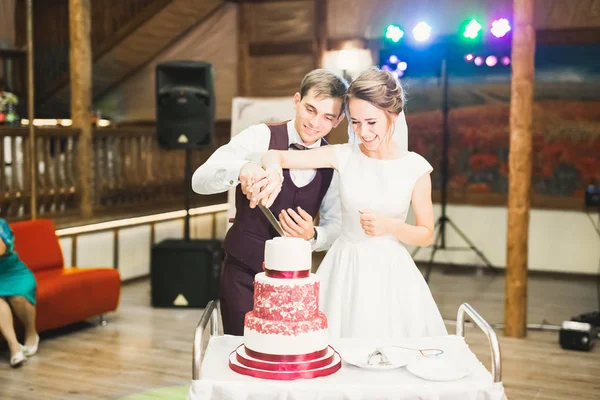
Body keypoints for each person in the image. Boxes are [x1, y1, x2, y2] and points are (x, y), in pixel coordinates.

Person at [259, 67, 448, 339]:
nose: (363, 132)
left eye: (372, 122)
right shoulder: (343, 155)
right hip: (343, 269)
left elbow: (426, 235)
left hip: (390, 274)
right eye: (355, 122)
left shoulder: (415, 168)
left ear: (392, 115)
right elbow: (274, 156)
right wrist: (274, 172)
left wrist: (391, 226)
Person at [191, 69, 348, 335]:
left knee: (283, 359)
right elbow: (199, 180)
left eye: (327, 117)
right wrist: (242, 169)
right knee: (239, 351)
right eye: (310, 109)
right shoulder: (259, 136)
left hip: (292, 280)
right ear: (296, 101)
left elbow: (336, 226)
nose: (315, 122)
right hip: (242, 272)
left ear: (339, 120)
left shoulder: (333, 161)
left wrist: (314, 235)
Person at [0, 219, 39, 367]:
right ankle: (14, 347)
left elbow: (1, 249)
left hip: (13, 272)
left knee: (18, 298)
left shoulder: (1, 225)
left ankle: (31, 333)